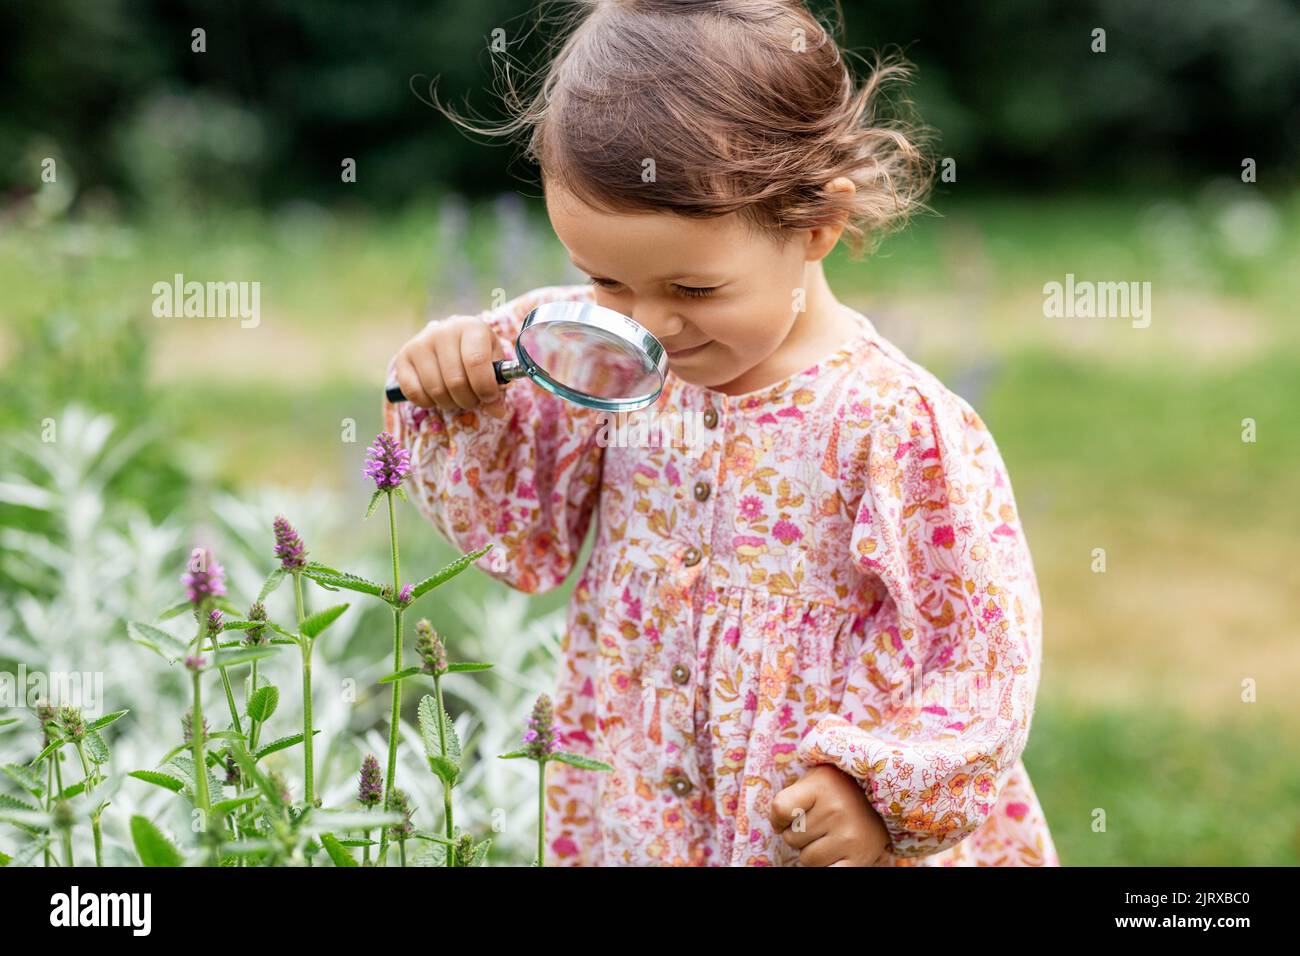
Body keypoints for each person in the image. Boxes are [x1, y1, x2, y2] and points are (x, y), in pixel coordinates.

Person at [384, 0, 1058, 866]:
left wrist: (878, 798)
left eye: (694, 291)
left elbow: (977, 656)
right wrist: (460, 395)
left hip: (809, 833)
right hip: (638, 808)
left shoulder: (891, 424)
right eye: (605, 280)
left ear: (817, 224)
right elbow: (523, 541)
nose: (649, 325)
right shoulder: (591, 356)